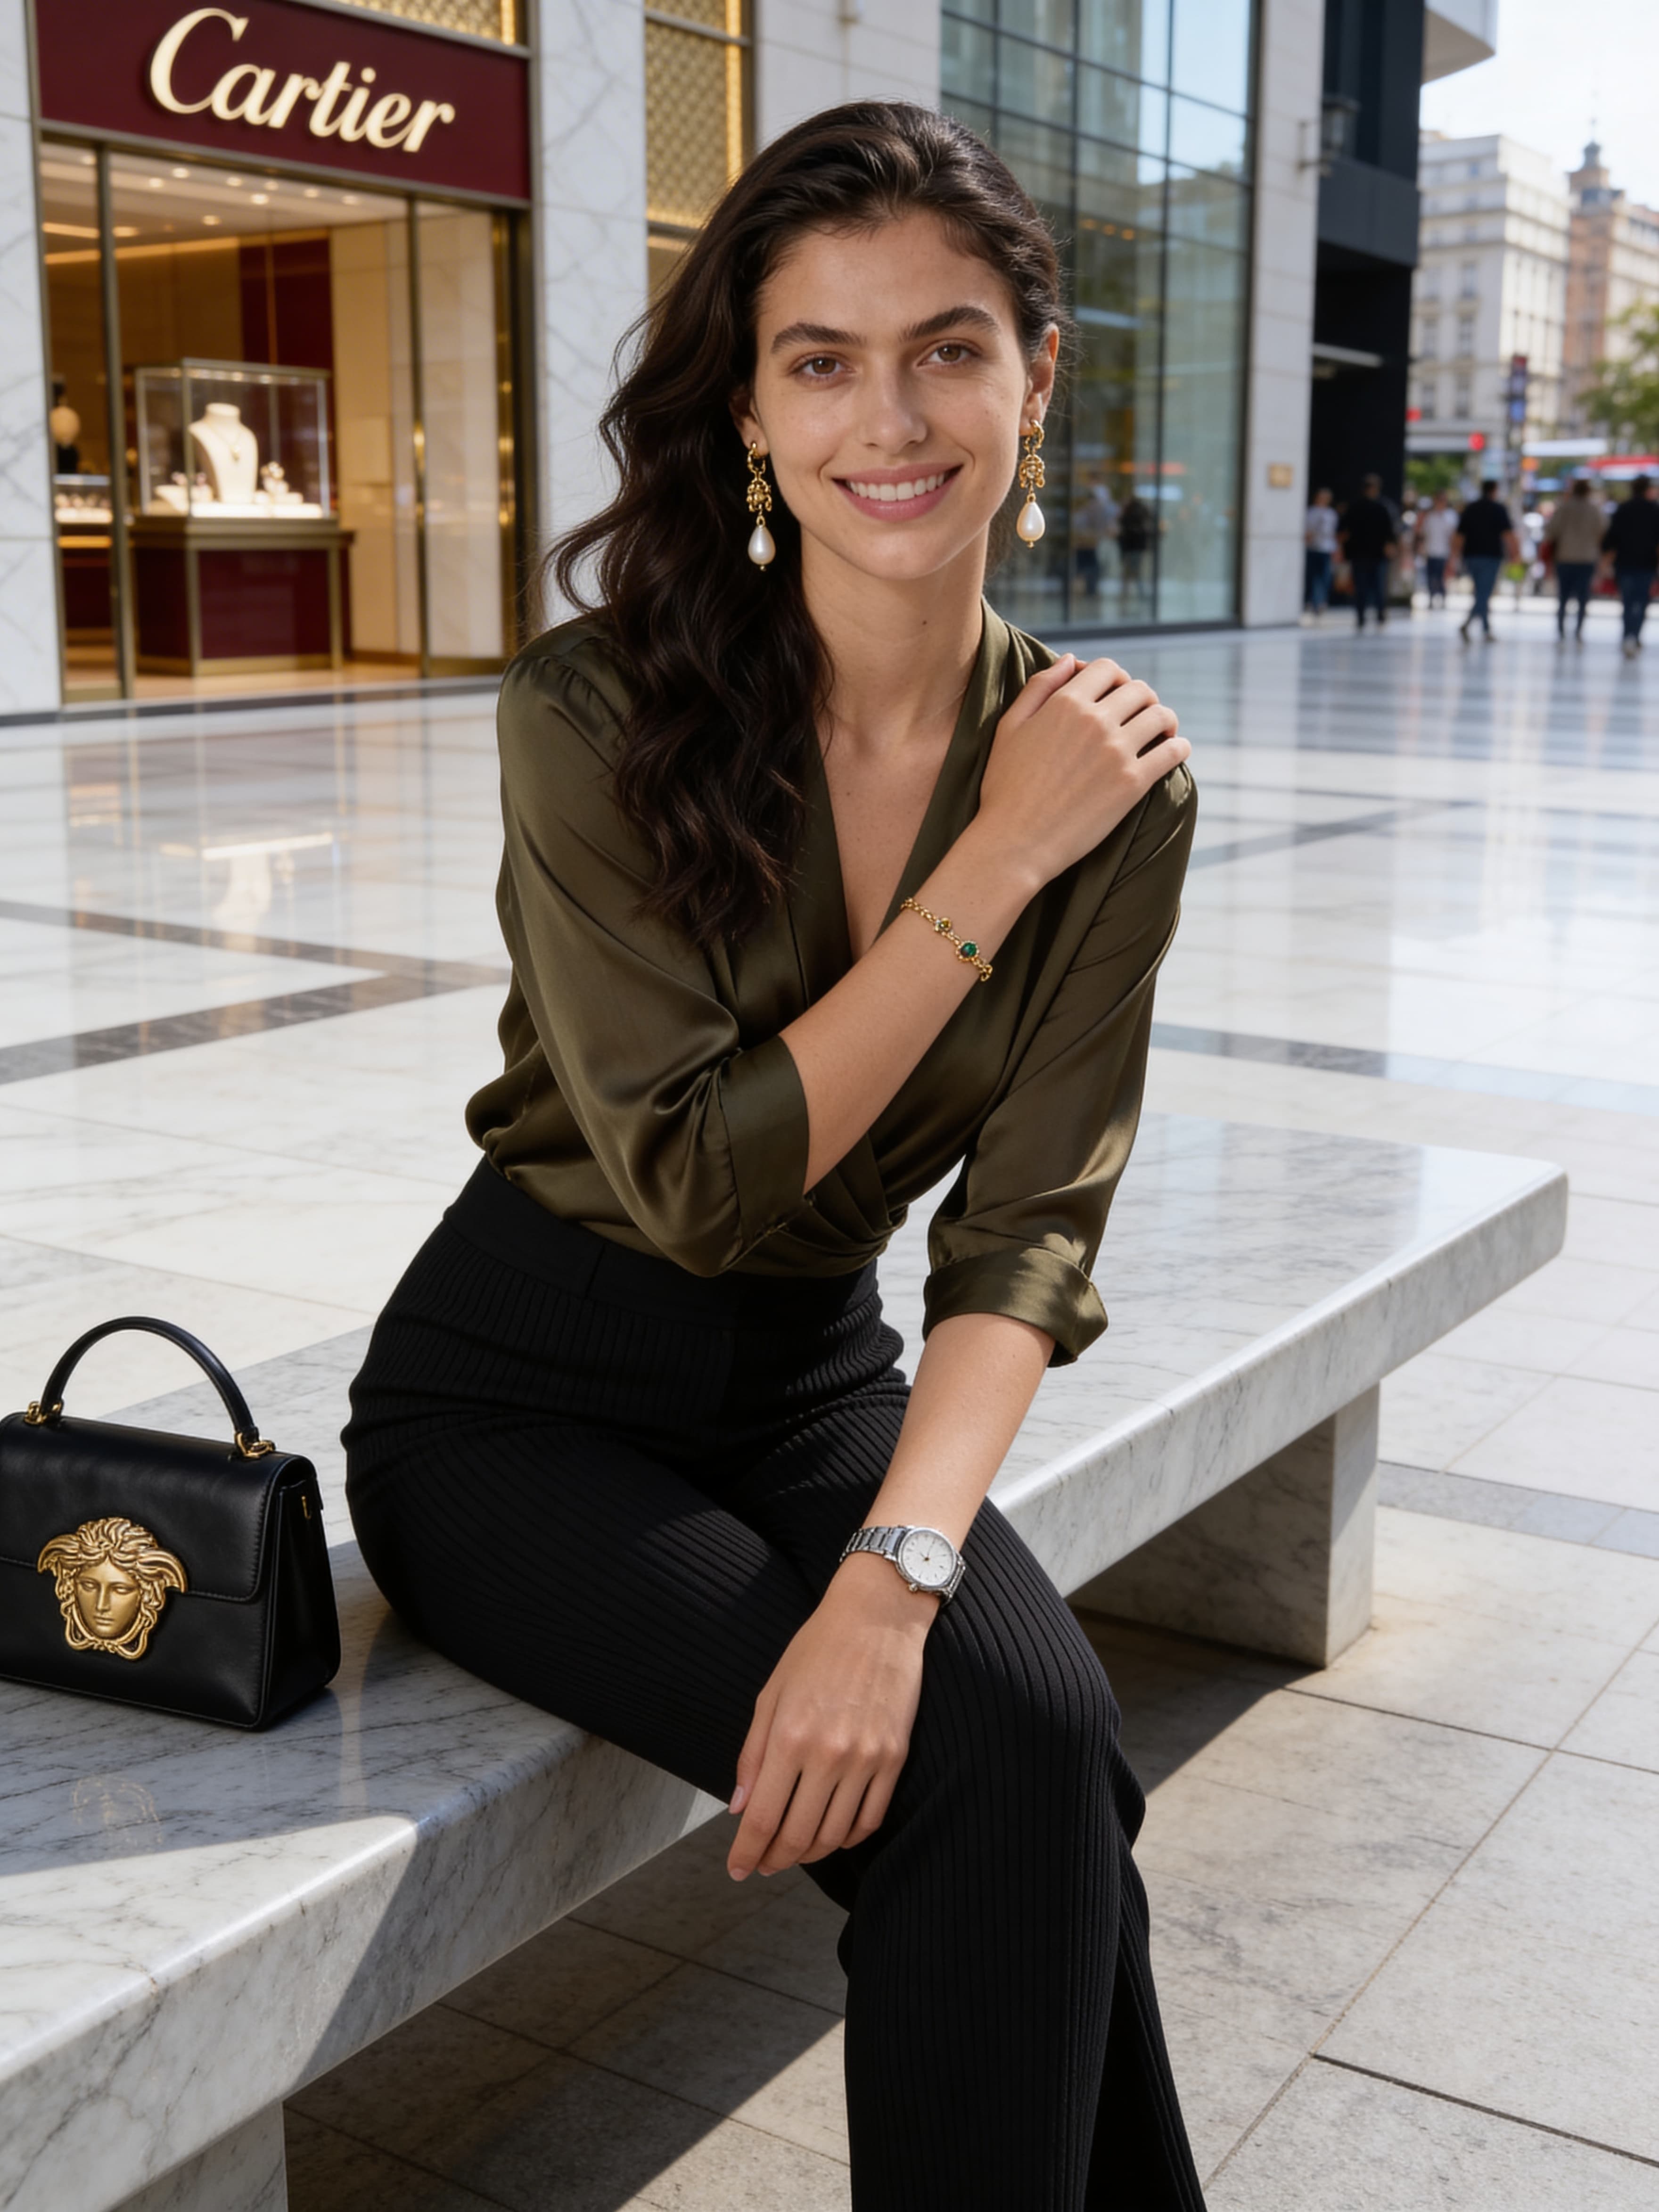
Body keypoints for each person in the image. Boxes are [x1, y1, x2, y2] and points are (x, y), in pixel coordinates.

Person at [343, 102, 1205, 2212]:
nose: (884, 417)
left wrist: (894, 1581)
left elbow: (1024, 1239)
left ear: (1035, 374)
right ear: (744, 403)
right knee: (1002, 1781)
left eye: (943, 347)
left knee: (1035, 1747)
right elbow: (699, 1187)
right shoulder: (593, 709)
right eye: (816, 359)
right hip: (513, 1402)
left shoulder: (1112, 766)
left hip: (814, 1385)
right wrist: (995, 856)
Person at [1452, 477, 1519, 641]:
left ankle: (1486, 629)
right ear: (1494, 490)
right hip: (1491, 556)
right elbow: (1508, 534)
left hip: (1472, 556)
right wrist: (1515, 553)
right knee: (1484, 593)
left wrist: (1454, 555)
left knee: (1482, 592)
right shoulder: (1498, 509)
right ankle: (1468, 624)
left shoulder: (1471, 508)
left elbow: (1459, 536)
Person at [1602, 473, 1659, 658]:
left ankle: (1628, 635)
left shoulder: (1623, 510)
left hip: (1625, 563)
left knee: (1627, 601)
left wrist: (1607, 559)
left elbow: (1611, 538)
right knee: (1642, 601)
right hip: (1647, 563)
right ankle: (1635, 635)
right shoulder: (1654, 510)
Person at [1542, 477, 1604, 644]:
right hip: (1586, 558)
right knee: (1583, 597)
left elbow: (1551, 531)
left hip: (1565, 557)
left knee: (1563, 596)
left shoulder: (1564, 508)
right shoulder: (1594, 510)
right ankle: (1578, 631)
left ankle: (1561, 629)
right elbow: (1602, 532)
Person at [1339, 473, 1398, 628]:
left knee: (1370, 587)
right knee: (1367, 587)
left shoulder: (1379, 506)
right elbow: (1344, 531)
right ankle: (1367, 616)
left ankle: (1372, 616)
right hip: (1364, 553)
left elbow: (1391, 531)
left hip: (1371, 553)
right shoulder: (1361, 506)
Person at [1415, 489, 1456, 608]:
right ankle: (1432, 598)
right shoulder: (1429, 516)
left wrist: (1453, 553)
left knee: (1441, 576)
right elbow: (1422, 533)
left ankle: (1443, 597)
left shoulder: (1451, 516)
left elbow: (1453, 536)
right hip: (1430, 551)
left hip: (1444, 552)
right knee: (1430, 576)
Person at [1304, 485, 1338, 615]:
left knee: (1325, 577)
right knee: (1312, 576)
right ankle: (1312, 601)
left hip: (1326, 548)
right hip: (1313, 548)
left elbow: (1332, 533)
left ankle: (1321, 601)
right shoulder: (1311, 512)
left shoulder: (1331, 514)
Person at [1117, 488, 1154, 604]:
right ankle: (1130, 592)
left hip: (1132, 547)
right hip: (1135, 546)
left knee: (1133, 570)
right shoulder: (1141, 511)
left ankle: (1132, 592)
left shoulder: (1131, 513)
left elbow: (1123, 526)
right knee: (1133, 570)